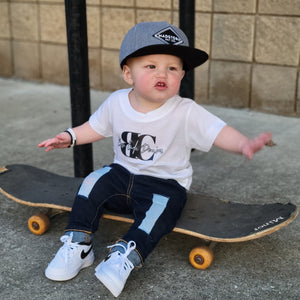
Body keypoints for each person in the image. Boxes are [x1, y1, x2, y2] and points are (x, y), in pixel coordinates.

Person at [38, 21, 272, 297]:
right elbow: (96, 127)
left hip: (165, 184)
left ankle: (126, 255)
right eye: (151, 66)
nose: (163, 73)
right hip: (121, 174)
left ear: (181, 76)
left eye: (172, 68)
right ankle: (79, 244)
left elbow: (217, 131)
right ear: (128, 74)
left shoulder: (185, 111)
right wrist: (70, 136)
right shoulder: (116, 102)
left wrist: (244, 143)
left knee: (159, 213)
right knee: (91, 182)